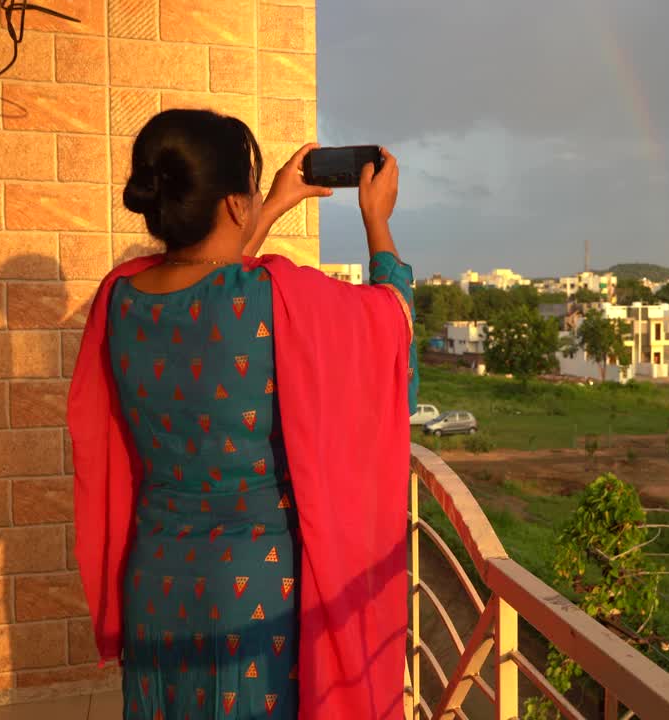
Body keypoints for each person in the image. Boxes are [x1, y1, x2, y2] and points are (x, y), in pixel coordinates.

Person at [67, 109, 417, 720]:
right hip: (253, 592)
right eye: (252, 191)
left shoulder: (119, 297)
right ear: (232, 204)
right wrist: (376, 220)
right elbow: (391, 324)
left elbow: (209, 286)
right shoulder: (273, 294)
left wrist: (272, 203)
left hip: (156, 581)